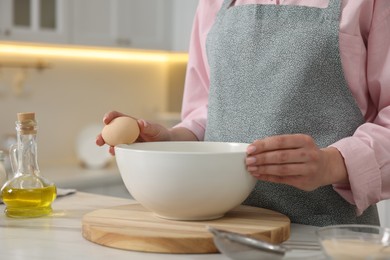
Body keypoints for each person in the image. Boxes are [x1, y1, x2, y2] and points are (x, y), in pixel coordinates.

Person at [97, 0, 390, 226]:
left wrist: (330, 164)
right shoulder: (214, 3)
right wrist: (172, 139)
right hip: (223, 229)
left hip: (326, 233)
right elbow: (207, 113)